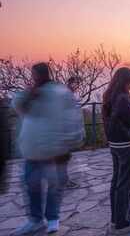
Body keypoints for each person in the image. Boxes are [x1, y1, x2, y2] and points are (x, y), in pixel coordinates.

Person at [11, 62, 84, 235]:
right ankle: (36, 220)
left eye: (36, 73)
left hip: (55, 151)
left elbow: (72, 118)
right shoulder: (31, 94)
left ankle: (52, 219)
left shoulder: (60, 92)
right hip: (32, 151)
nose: (35, 77)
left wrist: (70, 143)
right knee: (32, 187)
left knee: (54, 187)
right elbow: (18, 106)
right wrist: (31, 94)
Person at [102, 67, 130, 235]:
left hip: (116, 145)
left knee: (117, 182)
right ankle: (123, 223)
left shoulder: (110, 95)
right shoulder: (122, 97)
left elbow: (121, 116)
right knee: (126, 183)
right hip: (127, 144)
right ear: (126, 81)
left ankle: (116, 220)